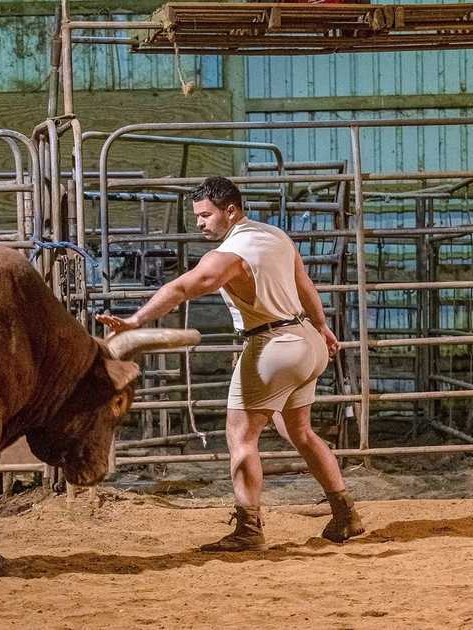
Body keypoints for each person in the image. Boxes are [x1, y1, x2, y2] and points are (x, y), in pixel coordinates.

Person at [97, 176, 364, 552]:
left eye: (206, 215)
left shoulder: (229, 254)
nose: (201, 223)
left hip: (273, 345)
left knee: (241, 436)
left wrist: (136, 320)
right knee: (299, 432)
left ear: (231, 211)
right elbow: (304, 283)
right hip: (306, 340)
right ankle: (345, 513)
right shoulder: (275, 236)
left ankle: (249, 528)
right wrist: (322, 326)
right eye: (198, 216)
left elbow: (181, 288)